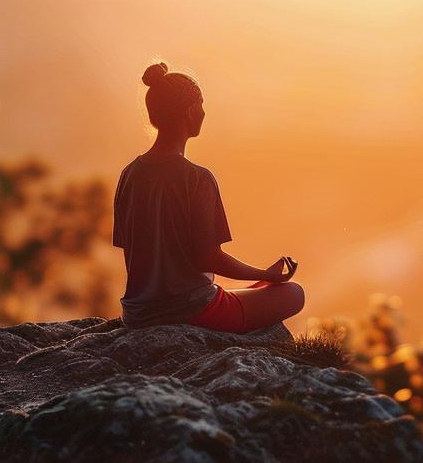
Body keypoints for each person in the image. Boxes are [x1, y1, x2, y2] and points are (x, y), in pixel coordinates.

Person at [112, 61, 305, 333]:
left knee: (250, 290)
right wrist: (265, 274)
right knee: (294, 293)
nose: (203, 112)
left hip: (137, 314)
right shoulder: (198, 178)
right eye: (201, 104)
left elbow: (131, 252)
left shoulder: (129, 175)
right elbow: (208, 258)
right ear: (190, 111)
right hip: (191, 311)